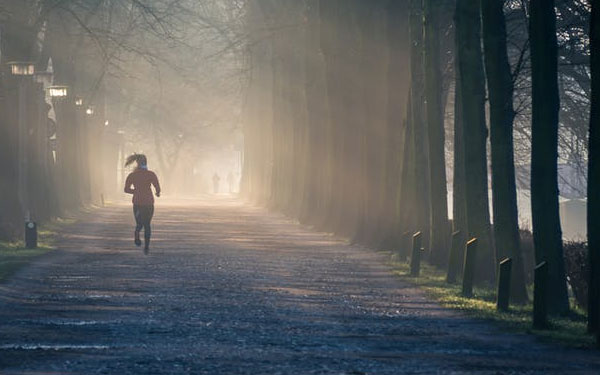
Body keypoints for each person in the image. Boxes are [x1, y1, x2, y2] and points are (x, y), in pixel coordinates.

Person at [124, 154, 161, 254]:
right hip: (149, 202)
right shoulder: (151, 174)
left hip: (137, 203)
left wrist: (135, 191)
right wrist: (157, 193)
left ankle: (136, 233)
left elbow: (126, 189)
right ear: (146, 162)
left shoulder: (132, 175)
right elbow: (157, 187)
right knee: (147, 224)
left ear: (137, 163)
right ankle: (147, 246)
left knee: (139, 223)